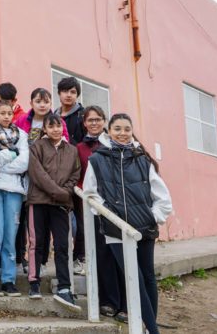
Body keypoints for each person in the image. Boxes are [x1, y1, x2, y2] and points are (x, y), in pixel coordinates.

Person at [82, 113, 173, 334]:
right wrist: (108, 215)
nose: (122, 133)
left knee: (147, 276)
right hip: (116, 230)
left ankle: (148, 324)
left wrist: (152, 217)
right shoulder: (97, 159)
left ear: (132, 132)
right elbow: (90, 195)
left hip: (144, 229)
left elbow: (162, 197)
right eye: (117, 129)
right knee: (134, 277)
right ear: (109, 131)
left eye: (127, 129)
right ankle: (153, 329)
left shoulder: (142, 159)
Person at [26, 113, 81, 312]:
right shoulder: (37, 147)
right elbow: (36, 174)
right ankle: (34, 282)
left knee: (62, 245)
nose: (55, 129)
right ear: (45, 129)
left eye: (59, 126)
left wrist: (64, 193)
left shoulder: (72, 150)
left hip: (61, 205)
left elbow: (75, 175)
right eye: (51, 126)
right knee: (36, 242)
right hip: (38, 201)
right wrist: (59, 192)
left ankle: (65, 286)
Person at [76, 105, 126, 319]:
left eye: (98, 119)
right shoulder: (80, 148)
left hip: (118, 207)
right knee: (102, 255)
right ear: (84, 123)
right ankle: (108, 301)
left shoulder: (115, 142)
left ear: (104, 121)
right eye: (90, 120)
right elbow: (79, 176)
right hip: (94, 208)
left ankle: (126, 304)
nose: (94, 123)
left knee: (120, 255)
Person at [15, 87, 69, 274]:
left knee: (43, 223)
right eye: (38, 101)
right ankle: (21, 257)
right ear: (31, 103)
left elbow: (65, 145)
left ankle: (42, 260)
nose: (42, 104)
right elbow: (15, 142)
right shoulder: (22, 120)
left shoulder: (57, 122)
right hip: (24, 176)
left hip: (49, 178)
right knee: (23, 220)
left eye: (46, 101)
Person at [0, 102, 28, 297]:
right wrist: (10, 154)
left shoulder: (22, 135)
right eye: (2, 113)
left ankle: (9, 280)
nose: (6, 116)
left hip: (15, 190)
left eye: (10, 113)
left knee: (11, 235)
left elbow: (24, 162)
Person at [55, 77, 85, 145]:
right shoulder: (53, 115)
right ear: (59, 94)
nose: (69, 95)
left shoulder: (83, 115)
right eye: (65, 91)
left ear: (77, 95)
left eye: (73, 92)